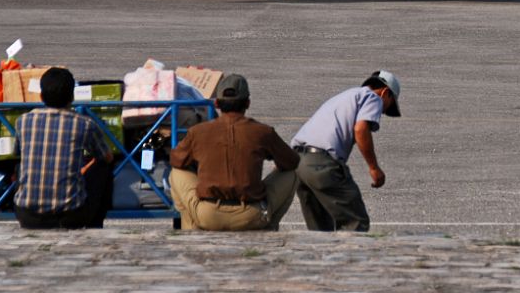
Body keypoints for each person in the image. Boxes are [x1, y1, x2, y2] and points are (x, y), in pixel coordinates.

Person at [168, 73, 299, 231]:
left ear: (216, 103)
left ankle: (190, 229)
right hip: (250, 215)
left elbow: (176, 160)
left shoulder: (198, 132)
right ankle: (269, 227)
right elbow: (292, 162)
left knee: (176, 173)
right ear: (248, 103)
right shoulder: (262, 132)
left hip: (208, 216)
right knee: (292, 174)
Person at [290, 70, 401, 232]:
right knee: (355, 221)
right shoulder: (373, 98)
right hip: (321, 163)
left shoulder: (344, 97)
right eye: (387, 108)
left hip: (297, 162)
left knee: (320, 228)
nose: (382, 112)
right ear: (385, 92)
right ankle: (350, 257)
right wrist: (374, 167)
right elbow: (361, 129)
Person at [13, 67, 114, 229]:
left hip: (27, 215)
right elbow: (107, 157)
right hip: (70, 216)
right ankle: (95, 225)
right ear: (72, 97)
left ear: (41, 96)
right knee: (103, 167)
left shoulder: (23, 121)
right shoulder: (84, 124)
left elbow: (18, 155)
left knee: (20, 166)